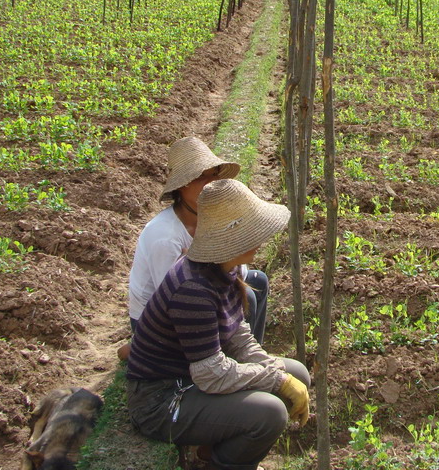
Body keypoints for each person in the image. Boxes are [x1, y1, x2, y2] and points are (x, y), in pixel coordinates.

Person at [126, 179, 310, 470]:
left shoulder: (225, 267)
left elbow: (238, 333)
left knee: (296, 372)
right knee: (271, 412)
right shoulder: (193, 289)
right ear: (231, 237)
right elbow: (210, 374)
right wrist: (277, 380)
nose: (260, 239)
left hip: (191, 378)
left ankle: (213, 448)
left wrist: (276, 373)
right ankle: (219, 463)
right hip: (162, 400)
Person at [128, 137, 270, 344]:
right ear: (183, 184)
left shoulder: (212, 217)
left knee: (258, 281)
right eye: (202, 177)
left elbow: (240, 271)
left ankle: (252, 352)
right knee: (245, 295)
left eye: (214, 174)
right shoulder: (165, 237)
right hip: (154, 320)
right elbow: (172, 301)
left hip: (201, 289)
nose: (212, 183)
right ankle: (230, 360)